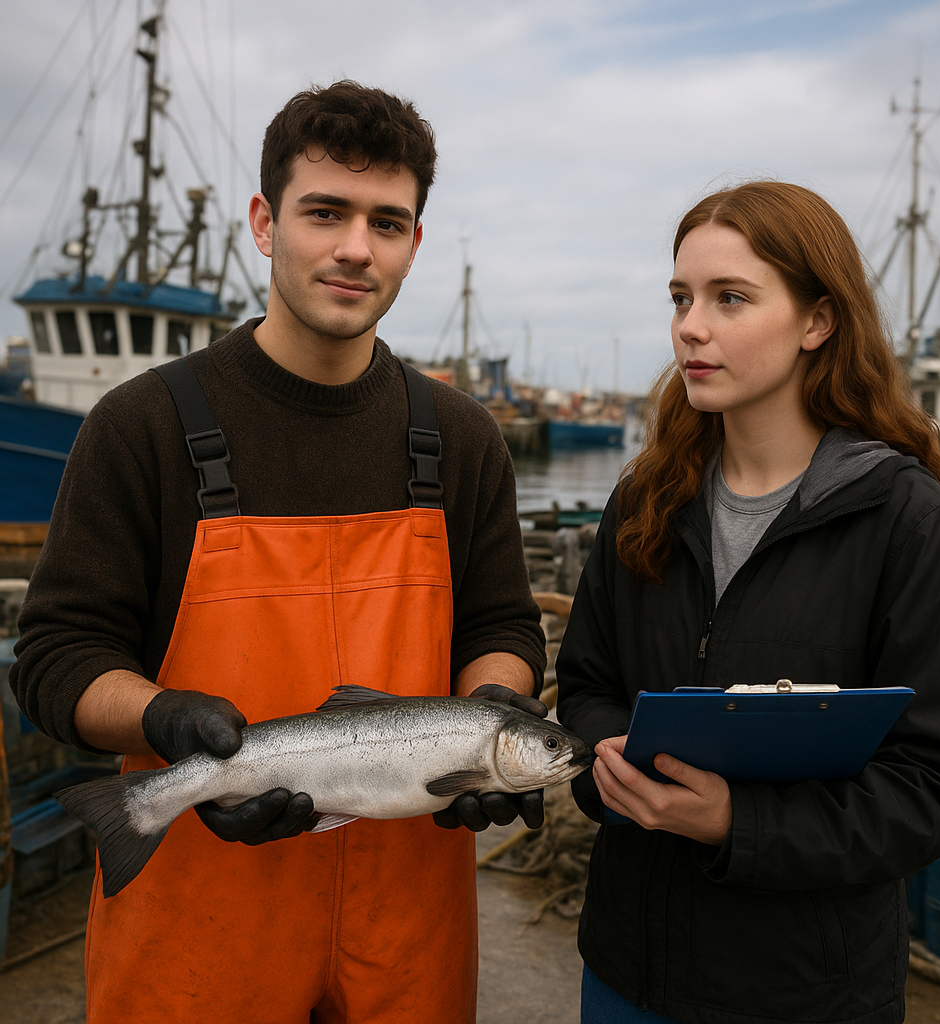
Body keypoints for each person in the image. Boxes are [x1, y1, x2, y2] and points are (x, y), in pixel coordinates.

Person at [11, 81, 548, 1023]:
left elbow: (501, 625)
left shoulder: (462, 439)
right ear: (265, 223)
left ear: (414, 243)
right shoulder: (141, 426)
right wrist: (165, 719)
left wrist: (493, 717)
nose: (356, 247)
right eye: (325, 212)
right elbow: (57, 659)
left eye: (387, 222)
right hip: (198, 921)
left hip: (407, 923)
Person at [556, 181, 940, 1024]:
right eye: (681, 297)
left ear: (817, 322)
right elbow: (587, 683)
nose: (691, 326)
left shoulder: (910, 523)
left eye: (730, 298)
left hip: (807, 994)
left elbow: (936, 786)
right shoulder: (645, 501)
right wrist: (610, 763)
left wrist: (736, 822)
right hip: (625, 973)